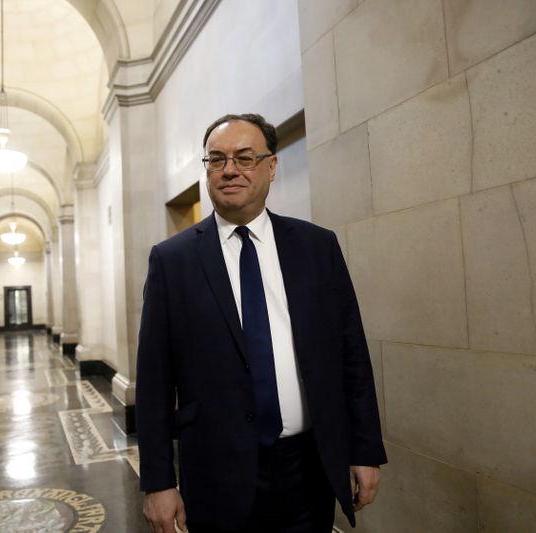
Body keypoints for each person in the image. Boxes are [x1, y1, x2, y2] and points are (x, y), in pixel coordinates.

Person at [136, 113, 387, 532]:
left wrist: (364, 449)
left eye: (244, 157)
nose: (229, 169)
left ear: (271, 166)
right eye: (216, 159)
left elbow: (351, 356)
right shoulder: (171, 260)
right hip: (216, 473)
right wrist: (158, 481)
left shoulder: (317, 247)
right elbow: (154, 381)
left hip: (309, 468)